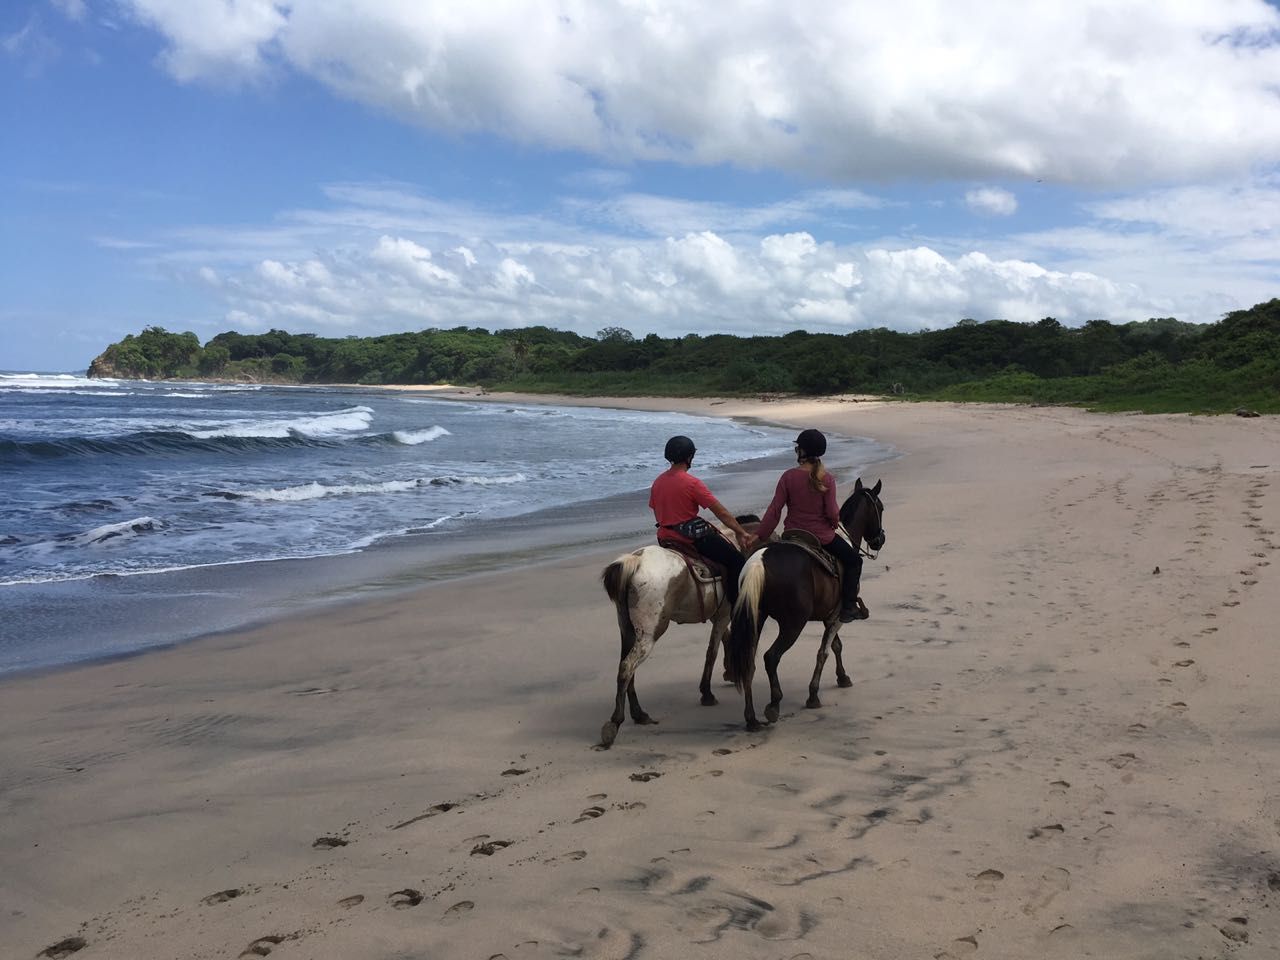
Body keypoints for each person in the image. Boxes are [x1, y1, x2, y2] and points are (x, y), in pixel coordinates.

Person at [754, 428, 865, 622]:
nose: (796, 451)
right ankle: (848, 607)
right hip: (821, 537)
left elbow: (774, 511)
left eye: (798, 448)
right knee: (855, 561)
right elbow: (832, 513)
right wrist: (833, 523)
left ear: (802, 452)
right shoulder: (826, 479)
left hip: (792, 535)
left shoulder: (788, 477)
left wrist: (759, 535)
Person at [650, 435, 755, 605]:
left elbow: (657, 512)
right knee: (736, 561)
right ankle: (737, 608)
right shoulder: (692, 483)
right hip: (689, 539)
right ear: (689, 457)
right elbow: (721, 513)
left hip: (664, 537)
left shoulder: (657, 482)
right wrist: (740, 532)